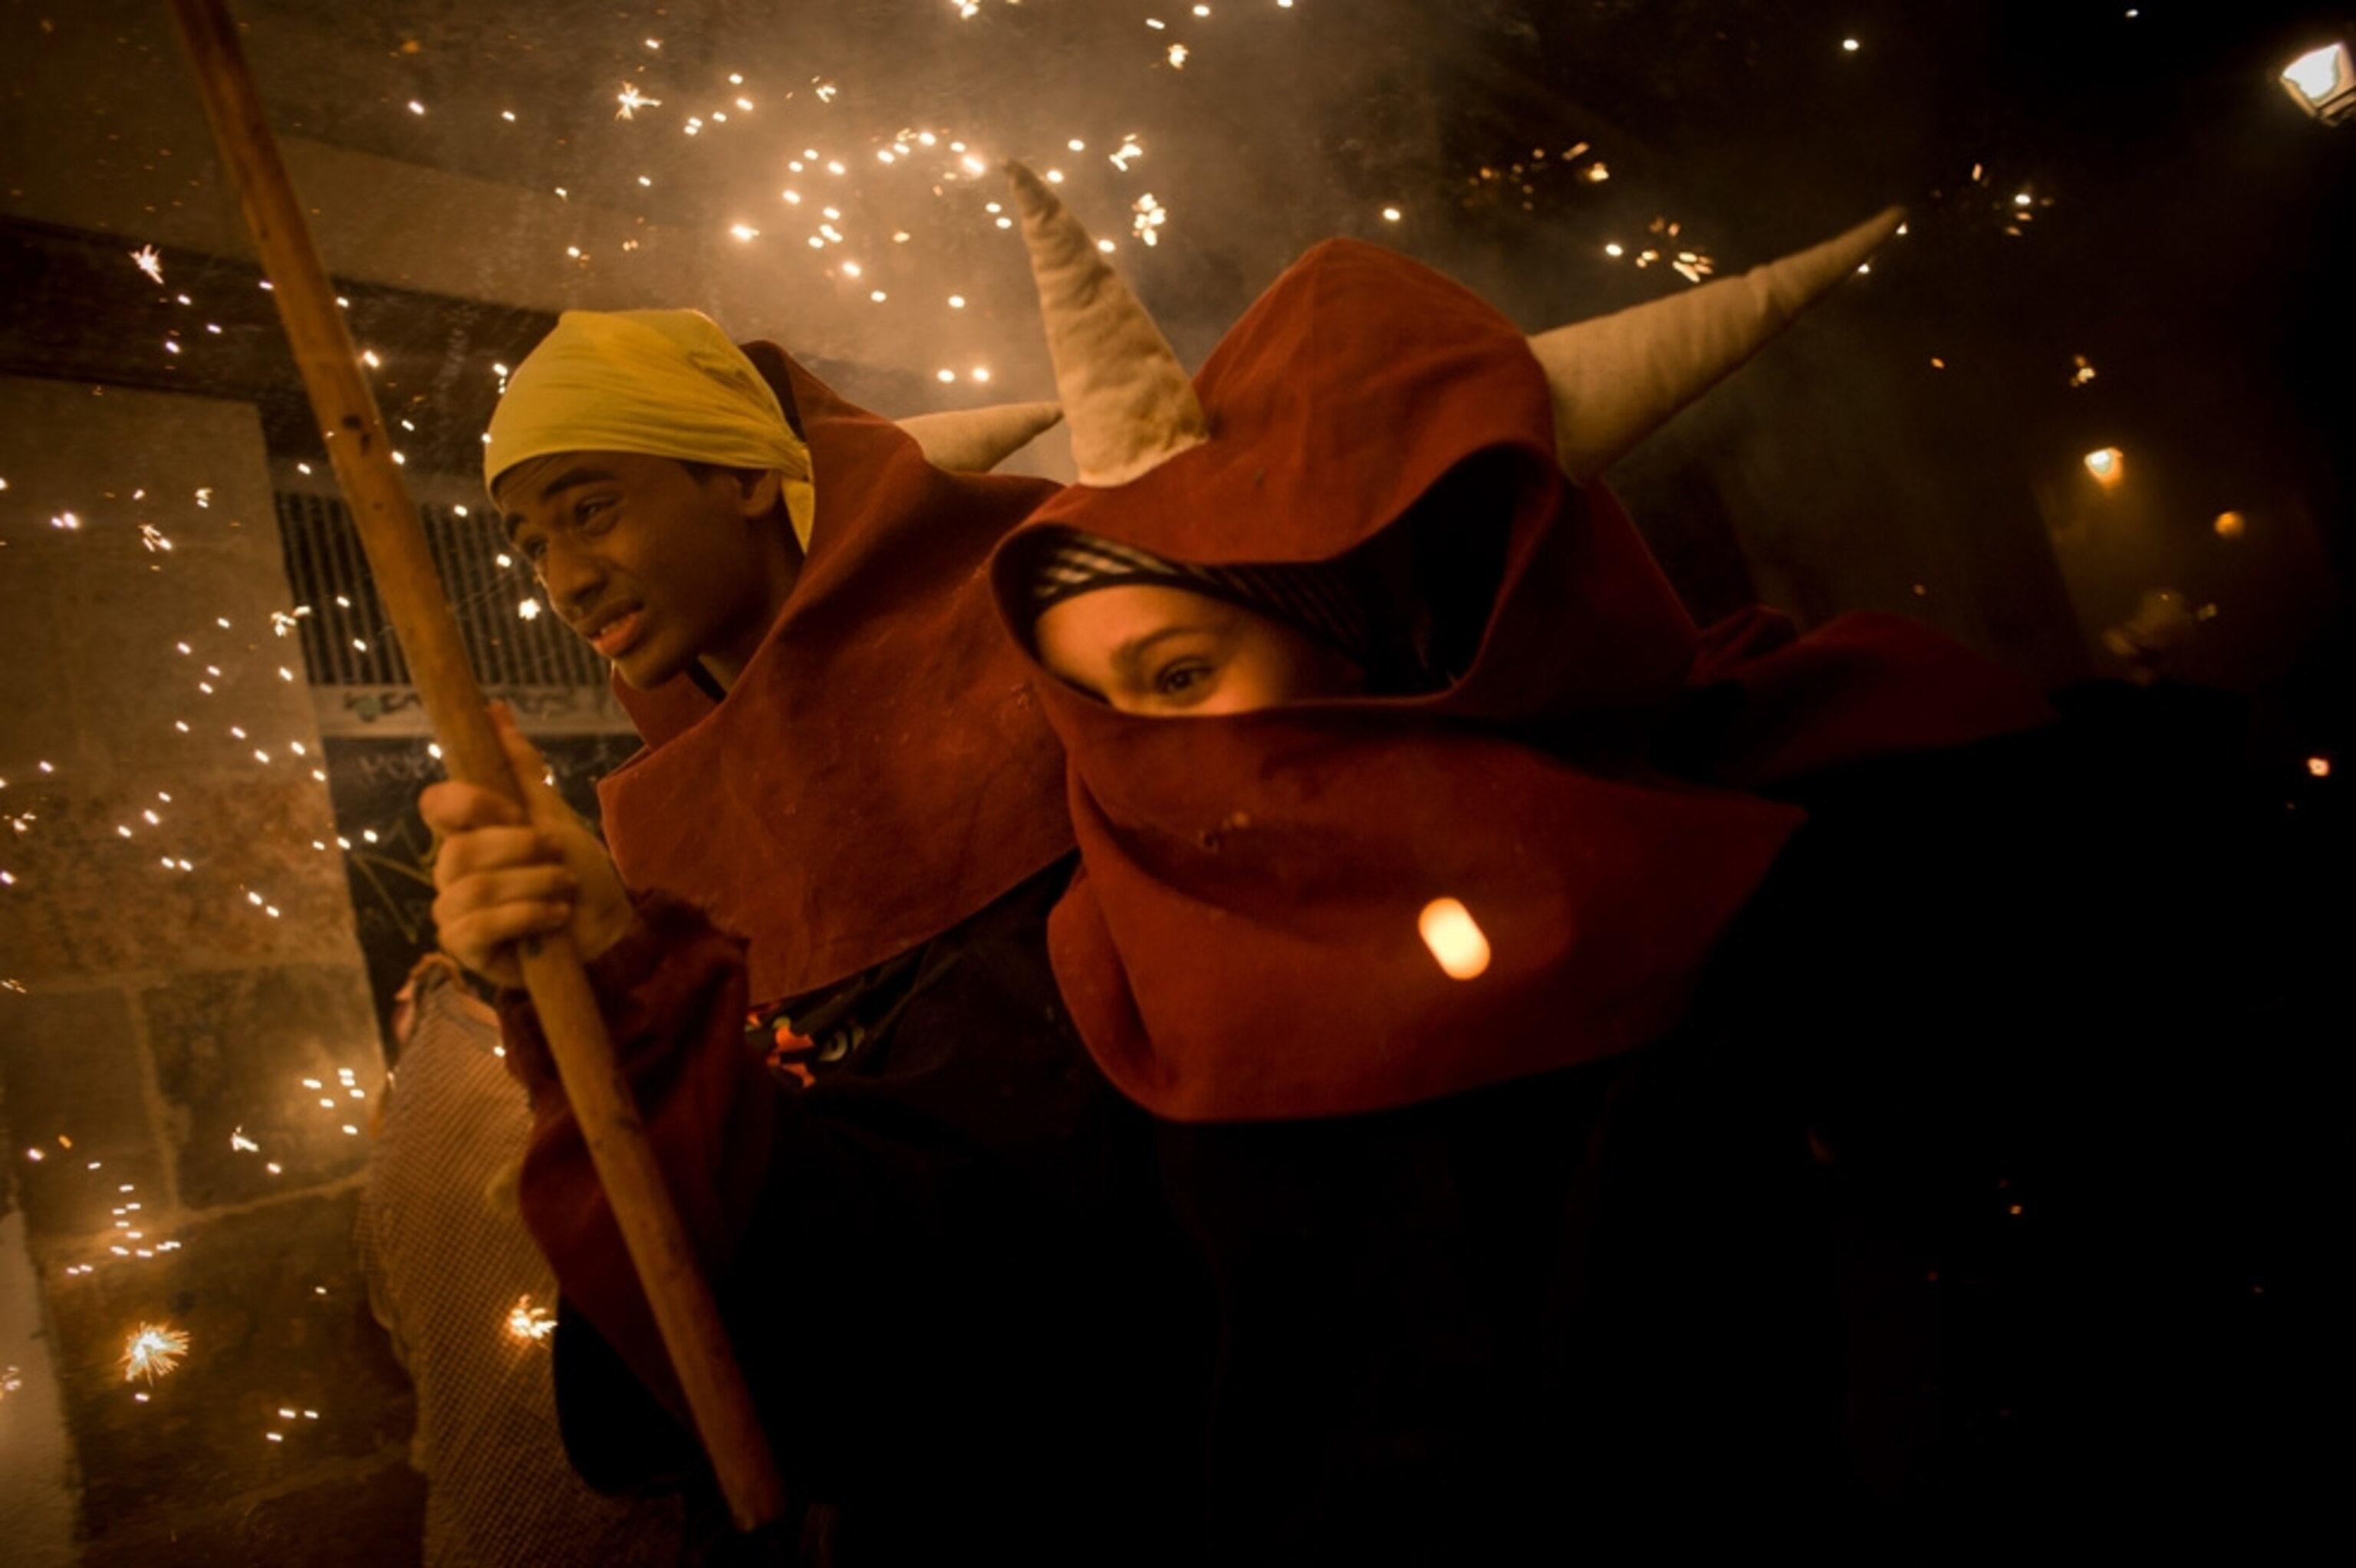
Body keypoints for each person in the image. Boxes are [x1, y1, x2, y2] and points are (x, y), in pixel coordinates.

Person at [980, 164, 2293, 1553]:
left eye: (1182, 674)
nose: (1144, 752)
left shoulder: (1815, 864)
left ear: (1382, 634)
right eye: (1096, 706)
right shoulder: (1114, 981)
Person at [417, 309, 1209, 1564]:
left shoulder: (1025, 660)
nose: (562, 579)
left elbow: (1029, 1196)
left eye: (591, 508)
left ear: (742, 475)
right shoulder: (673, 807)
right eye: (531, 542)